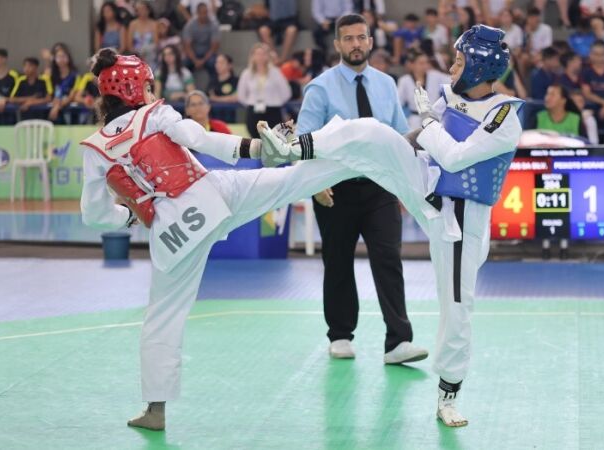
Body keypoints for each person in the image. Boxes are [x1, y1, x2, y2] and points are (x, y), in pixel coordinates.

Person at [258, 23, 524, 427]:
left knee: (456, 309)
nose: (451, 67)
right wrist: (419, 130)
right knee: (372, 132)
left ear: (479, 67)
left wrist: (430, 123)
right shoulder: (450, 97)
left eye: (458, 60)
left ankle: (448, 395)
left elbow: (454, 157)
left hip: (460, 224)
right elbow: (424, 141)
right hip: (427, 188)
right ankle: (293, 147)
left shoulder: (504, 116)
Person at [81, 47, 360, 431]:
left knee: (161, 319)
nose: (149, 92)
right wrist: (258, 149)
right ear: (132, 88)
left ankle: (155, 411)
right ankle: (355, 157)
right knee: (286, 182)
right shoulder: (155, 114)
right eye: (146, 86)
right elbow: (202, 139)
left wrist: (128, 214)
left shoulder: (94, 149)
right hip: (210, 195)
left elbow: (92, 215)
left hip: (170, 232)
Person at [295, 14, 428, 364]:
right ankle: (340, 335)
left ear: (370, 41)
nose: (355, 44)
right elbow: (303, 140)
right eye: (348, 39)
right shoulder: (320, 88)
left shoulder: (386, 84)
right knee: (337, 261)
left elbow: (399, 138)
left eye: (361, 37)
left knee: (389, 259)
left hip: (380, 188)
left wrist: (404, 184)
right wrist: (315, 183)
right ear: (338, 44)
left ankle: (398, 342)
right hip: (334, 189)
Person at [237, 43, 292, 139]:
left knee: (274, 140)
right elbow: (241, 94)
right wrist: (251, 103)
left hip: (273, 111)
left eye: (263, 54)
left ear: (268, 56)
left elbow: (286, 92)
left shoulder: (275, 72)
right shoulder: (247, 73)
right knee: (256, 141)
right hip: (253, 112)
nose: (260, 57)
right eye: (257, 54)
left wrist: (275, 102)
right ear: (252, 56)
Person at [397, 49, 449, 128]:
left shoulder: (435, 75)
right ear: (411, 64)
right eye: (421, 63)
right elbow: (399, 102)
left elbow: (452, 80)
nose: (425, 66)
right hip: (414, 120)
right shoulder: (404, 80)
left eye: (426, 63)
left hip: (435, 118)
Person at [182, 2, 221, 78]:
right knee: (184, 63)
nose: (204, 15)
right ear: (197, 13)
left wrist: (203, 60)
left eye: (206, 12)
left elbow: (214, 47)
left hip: (208, 54)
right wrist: (195, 60)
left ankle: (213, 87)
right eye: (202, 13)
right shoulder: (190, 25)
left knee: (213, 63)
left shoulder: (214, 25)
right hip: (193, 54)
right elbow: (187, 46)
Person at [127, 0, 160, 70]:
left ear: (149, 10)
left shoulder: (154, 24)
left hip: (150, 55)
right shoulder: (132, 24)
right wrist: (137, 54)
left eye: (144, 9)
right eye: (139, 9)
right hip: (136, 55)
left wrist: (147, 51)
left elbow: (156, 43)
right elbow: (129, 45)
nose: (142, 11)